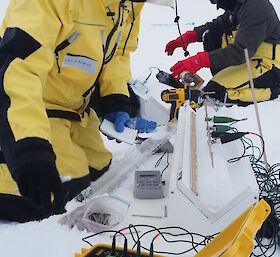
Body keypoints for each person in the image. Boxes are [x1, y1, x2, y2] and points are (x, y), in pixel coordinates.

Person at [0, 0, 163, 222]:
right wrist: (29, 147)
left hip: (74, 110)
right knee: (50, 189)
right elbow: (18, 70)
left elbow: (117, 55)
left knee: (99, 168)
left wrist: (115, 101)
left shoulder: (127, 6)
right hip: (29, 107)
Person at [165, 0, 280, 106]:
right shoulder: (239, 4)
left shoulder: (256, 9)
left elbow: (240, 51)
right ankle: (225, 79)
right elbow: (217, 25)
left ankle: (275, 90)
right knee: (210, 35)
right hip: (247, 57)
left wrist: (200, 60)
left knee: (215, 93)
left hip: (268, 65)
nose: (218, 5)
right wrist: (189, 37)